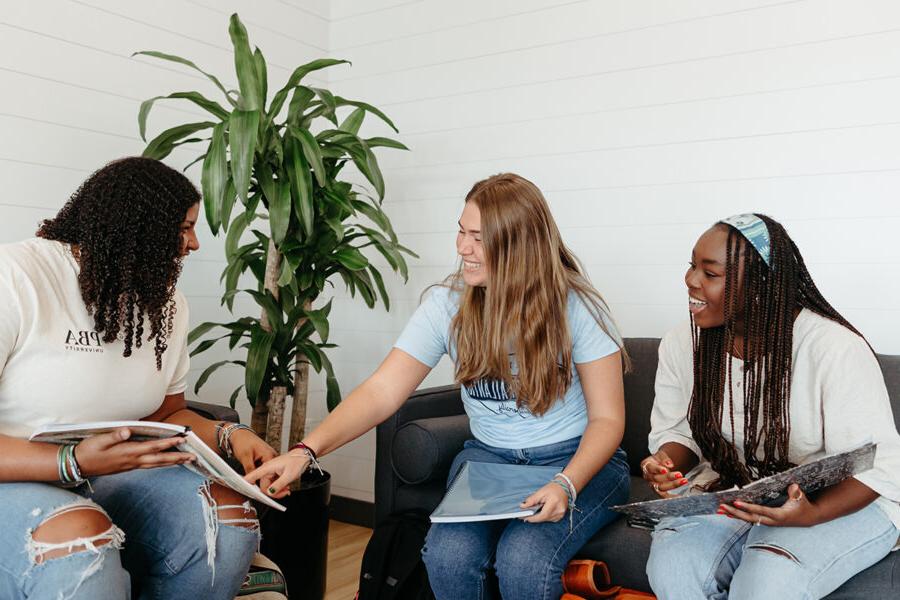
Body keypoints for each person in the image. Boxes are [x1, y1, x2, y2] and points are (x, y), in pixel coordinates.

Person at [246, 173, 631, 599]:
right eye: (461, 232)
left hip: (574, 460)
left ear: (519, 246)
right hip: (490, 462)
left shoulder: (578, 307)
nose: (462, 247)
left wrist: (566, 483)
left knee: (523, 560)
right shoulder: (447, 305)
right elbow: (383, 390)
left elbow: (608, 418)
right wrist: (305, 451)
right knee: (448, 555)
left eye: (478, 238)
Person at [0, 157, 277, 600]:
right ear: (134, 227)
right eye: (183, 228)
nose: (194, 243)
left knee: (228, 519)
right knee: (82, 538)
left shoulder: (165, 302)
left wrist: (230, 435)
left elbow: (168, 411)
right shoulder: (16, 276)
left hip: (111, 471)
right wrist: (73, 462)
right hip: (13, 477)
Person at [641, 213, 900, 599]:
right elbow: (680, 434)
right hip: (737, 492)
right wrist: (665, 462)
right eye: (692, 266)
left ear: (760, 286)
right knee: (673, 568)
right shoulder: (683, 343)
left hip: (842, 500)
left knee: (765, 583)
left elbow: (877, 465)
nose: (691, 280)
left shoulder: (833, 348)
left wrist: (811, 513)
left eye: (710, 273)